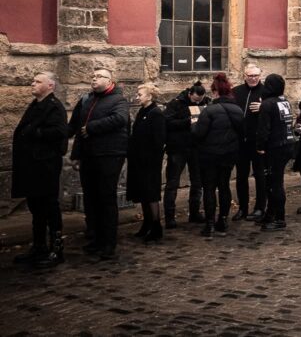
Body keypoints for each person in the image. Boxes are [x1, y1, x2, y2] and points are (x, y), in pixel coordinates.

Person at [67, 68, 130, 260]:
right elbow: (78, 128)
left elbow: (120, 119)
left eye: (99, 76)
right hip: (89, 156)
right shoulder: (87, 100)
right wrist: (76, 155)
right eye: (92, 76)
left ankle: (108, 243)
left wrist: (92, 127)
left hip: (109, 155)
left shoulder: (119, 100)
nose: (94, 79)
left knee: (106, 198)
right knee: (91, 198)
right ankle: (95, 238)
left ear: (110, 81)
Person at [11, 72, 68, 268]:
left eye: (37, 81)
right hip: (32, 166)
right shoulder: (36, 105)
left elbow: (60, 132)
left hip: (46, 166)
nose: (32, 84)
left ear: (50, 86)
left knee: (49, 206)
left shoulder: (54, 107)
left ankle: (56, 250)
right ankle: (39, 246)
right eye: (33, 81)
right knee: (36, 207)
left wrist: (36, 132)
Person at [192, 73, 243, 237]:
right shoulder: (237, 110)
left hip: (210, 155)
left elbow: (199, 133)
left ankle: (210, 224)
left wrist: (193, 124)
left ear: (215, 92)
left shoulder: (210, 111)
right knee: (224, 186)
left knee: (209, 188)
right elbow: (242, 132)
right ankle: (223, 220)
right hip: (229, 154)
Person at [162, 81, 208, 229]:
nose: (198, 102)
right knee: (172, 183)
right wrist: (187, 122)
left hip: (196, 147)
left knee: (197, 182)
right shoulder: (176, 103)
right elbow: (167, 122)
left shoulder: (206, 102)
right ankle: (169, 217)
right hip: (178, 148)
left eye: (200, 100)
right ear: (189, 94)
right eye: (195, 100)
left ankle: (194, 213)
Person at [127, 83, 166, 243]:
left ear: (150, 96)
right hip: (139, 160)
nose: (137, 97)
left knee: (151, 194)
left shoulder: (155, 113)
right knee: (143, 192)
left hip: (150, 162)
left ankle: (156, 226)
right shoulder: (142, 111)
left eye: (140, 94)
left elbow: (159, 140)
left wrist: (151, 158)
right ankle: (147, 223)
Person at [256, 73, 295, 231]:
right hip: (287, 144)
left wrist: (260, 146)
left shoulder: (267, 104)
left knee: (275, 184)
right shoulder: (284, 101)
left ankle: (280, 218)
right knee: (274, 182)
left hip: (275, 147)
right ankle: (270, 214)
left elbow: (263, 129)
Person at [232, 65, 266, 222]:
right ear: (244, 75)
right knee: (241, 177)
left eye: (256, 75)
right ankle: (243, 208)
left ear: (260, 75)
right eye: (250, 75)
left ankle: (260, 207)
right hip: (240, 141)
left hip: (258, 141)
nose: (253, 78)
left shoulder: (266, 92)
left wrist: (263, 107)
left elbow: (277, 109)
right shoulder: (236, 91)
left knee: (260, 175)